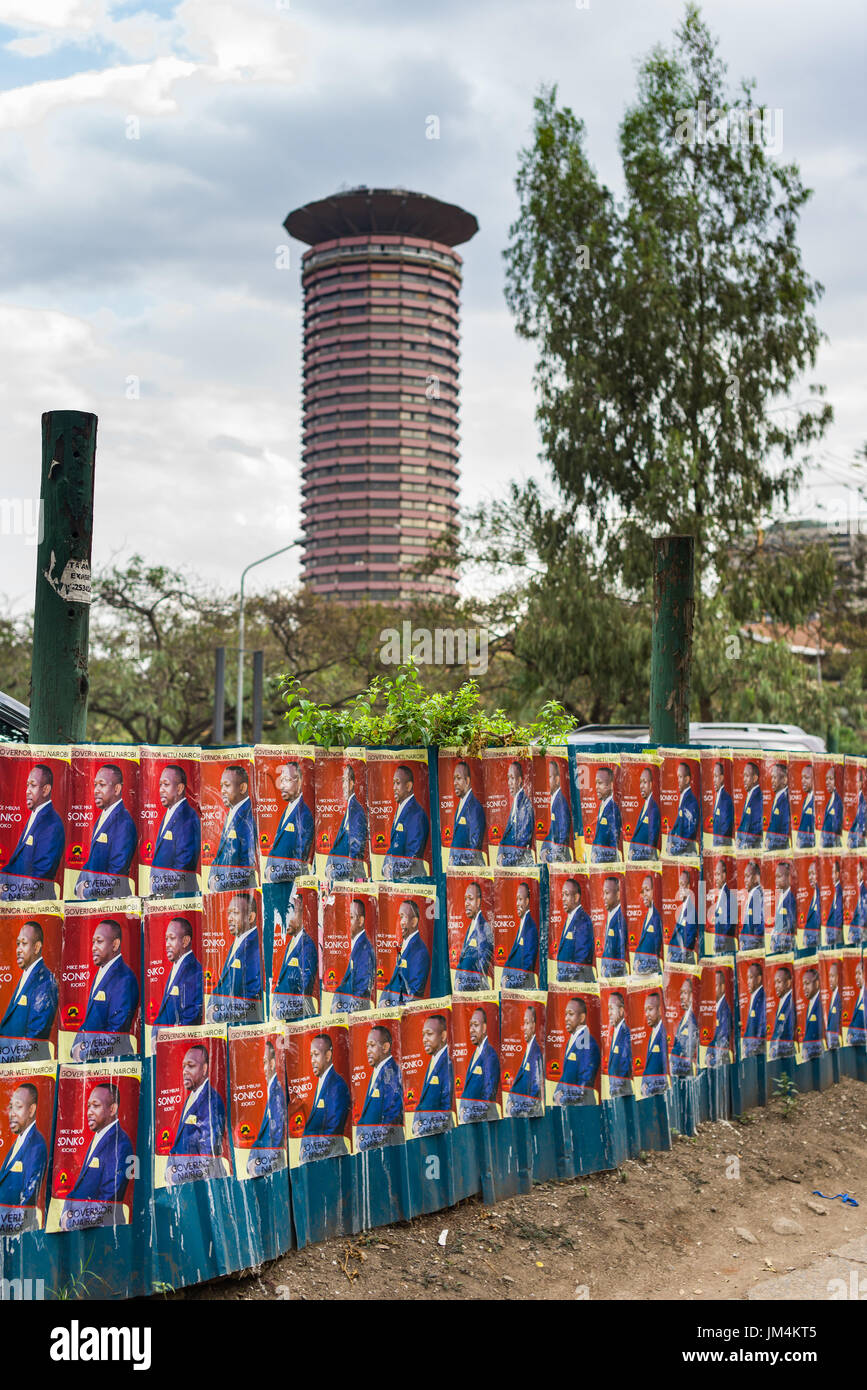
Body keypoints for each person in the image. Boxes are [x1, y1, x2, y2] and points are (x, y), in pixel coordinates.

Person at [60, 1083, 134, 1229]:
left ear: (112, 1109)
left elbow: (107, 1199)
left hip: (101, 1234)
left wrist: (71, 1221)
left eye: (96, 1105)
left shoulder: (120, 1144)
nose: (89, 1112)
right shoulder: (100, 1136)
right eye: (88, 1106)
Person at [70, 919, 139, 1062]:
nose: (94, 947)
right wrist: (75, 1047)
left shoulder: (124, 978)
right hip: (95, 1061)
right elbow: (90, 1021)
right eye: (93, 942)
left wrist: (84, 1052)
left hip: (114, 1063)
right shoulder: (103, 971)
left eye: (99, 941)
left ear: (115, 944)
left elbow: (116, 1032)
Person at [0, 763, 64, 901]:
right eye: (27, 785)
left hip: (35, 907)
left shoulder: (52, 824)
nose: (27, 790)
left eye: (33, 785)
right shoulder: (36, 815)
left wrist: (5, 893)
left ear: (46, 789)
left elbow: (38, 879)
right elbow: (14, 866)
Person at [166, 1044, 227, 1186]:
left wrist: (176, 1175)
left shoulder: (212, 1101)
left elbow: (208, 1155)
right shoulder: (192, 1097)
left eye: (191, 1066)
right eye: (184, 1066)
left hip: (200, 1185)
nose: (185, 1071)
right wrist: (170, 1169)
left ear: (204, 1069)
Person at [74, 763, 137, 900]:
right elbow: (92, 860)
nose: (96, 790)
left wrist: (85, 892)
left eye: (101, 785)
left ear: (117, 789)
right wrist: (78, 886)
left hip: (113, 905)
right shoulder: (104, 816)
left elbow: (116, 876)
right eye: (95, 784)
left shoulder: (123, 823)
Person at [0, 919, 58, 1063]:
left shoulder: (44, 982)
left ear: (37, 947)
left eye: (24, 943)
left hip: (27, 1067)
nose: (18, 949)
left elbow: (33, 1040)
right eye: (18, 943)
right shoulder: (28, 974)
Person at [207, 891, 262, 1024]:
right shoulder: (239, 941)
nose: (229, 918)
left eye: (235, 913)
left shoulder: (255, 948)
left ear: (250, 917)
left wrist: (215, 1014)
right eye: (229, 913)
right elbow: (222, 986)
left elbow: (252, 1001)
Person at [0, 1083, 48, 1233]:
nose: (12, 1113)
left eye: (18, 1107)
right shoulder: (20, 1140)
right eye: (11, 1107)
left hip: (15, 1233)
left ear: (31, 1110)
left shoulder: (36, 1146)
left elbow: (29, 1197)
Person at [149, 763, 200, 898]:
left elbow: (183, 867)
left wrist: (156, 885)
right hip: (164, 895)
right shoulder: (170, 812)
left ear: (179, 788)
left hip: (178, 897)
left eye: (166, 784)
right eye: (160, 785)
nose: (161, 790)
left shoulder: (187, 817)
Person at [300, 1033, 351, 1163]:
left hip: (331, 1162)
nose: (312, 1060)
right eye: (311, 1055)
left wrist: (310, 1154)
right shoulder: (323, 1081)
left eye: (316, 1054)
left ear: (328, 1056)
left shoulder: (337, 1085)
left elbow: (332, 1130)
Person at [208, 764, 256, 892]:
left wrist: (218, 883)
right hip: (225, 892)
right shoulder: (232, 811)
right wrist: (211, 879)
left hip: (242, 895)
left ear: (242, 787)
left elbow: (249, 866)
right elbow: (220, 854)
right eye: (221, 785)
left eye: (227, 785)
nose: (222, 790)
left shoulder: (249, 816)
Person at [272, 887, 318, 1021]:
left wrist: (281, 1011)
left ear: (303, 915)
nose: (286, 918)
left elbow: (304, 989)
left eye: (291, 913)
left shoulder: (307, 946)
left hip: (298, 1019)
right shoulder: (291, 943)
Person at [356, 1025, 404, 1151]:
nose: (368, 1051)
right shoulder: (378, 1070)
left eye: (372, 1045)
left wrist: (366, 1142)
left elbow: (391, 1118)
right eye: (367, 1046)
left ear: (385, 1047)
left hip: (386, 1151)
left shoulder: (391, 1072)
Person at [266, 760, 314, 884]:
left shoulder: (305, 815)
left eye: (286, 780)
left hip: (290, 889)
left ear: (299, 782)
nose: (281, 786)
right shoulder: (289, 808)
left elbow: (300, 862)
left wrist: (273, 875)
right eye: (281, 781)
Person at [152, 916, 203, 1031]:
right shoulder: (178, 965)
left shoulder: (193, 971)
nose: (167, 944)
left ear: (185, 941)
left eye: (172, 938)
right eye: (166, 939)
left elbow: (190, 1021)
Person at [381, 765, 430, 881]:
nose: (394, 787)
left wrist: (391, 870)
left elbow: (413, 856)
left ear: (408, 786)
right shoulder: (402, 808)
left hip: (412, 882)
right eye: (393, 783)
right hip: (399, 881)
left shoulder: (416, 814)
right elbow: (393, 848)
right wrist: (385, 868)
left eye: (397, 783)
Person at [247, 1039, 287, 1177]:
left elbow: (277, 1134)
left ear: (271, 1064)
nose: (261, 1069)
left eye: (264, 1062)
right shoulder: (271, 1090)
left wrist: (257, 1168)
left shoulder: (277, 1090)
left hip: (272, 1169)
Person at [379, 900, 431, 1005]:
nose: (400, 922)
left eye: (403, 917)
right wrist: (382, 1001)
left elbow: (414, 995)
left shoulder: (420, 951)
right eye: (400, 917)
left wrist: (390, 1005)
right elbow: (394, 982)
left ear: (414, 921)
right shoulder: (404, 944)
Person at [552, 995, 601, 1104]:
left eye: (571, 1014)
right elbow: (566, 1075)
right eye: (565, 1014)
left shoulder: (587, 1043)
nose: (566, 1018)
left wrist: (563, 1098)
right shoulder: (574, 1040)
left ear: (582, 1018)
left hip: (581, 1110)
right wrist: (556, 1094)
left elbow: (585, 1083)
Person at [412, 1014, 453, 1137]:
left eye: (429, 1034)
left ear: (443, 1036)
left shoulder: (448, 1064)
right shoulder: (434, 1060)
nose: (424, 1039)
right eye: (423, 1034)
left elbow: (447, 1108)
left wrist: (422, 1128)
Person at [325, 764, 368, 881]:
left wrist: (334, 872)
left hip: (350, 879)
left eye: (346, 781)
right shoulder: (350, 809)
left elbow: (356, 851)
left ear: (352, 783)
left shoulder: (357, 811)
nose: (343, 786)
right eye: (342, 781)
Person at [331, 897, 375, 1011]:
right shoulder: (354, 945)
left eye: (350, 917)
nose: (346, 922)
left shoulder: (364, 949)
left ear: (360, 921)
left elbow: (361, 992)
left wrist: (340, 1009)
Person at [459, 1007, 500, 1122]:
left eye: (475, 1025)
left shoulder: (490, 1055)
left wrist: (467, 1115)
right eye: (470, 1025)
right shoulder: (477, 1053)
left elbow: (488, 1096)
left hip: (483, 1122)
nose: (471, 1029)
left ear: (484, 1028)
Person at [454, 880, 493, 991]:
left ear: (479, 901)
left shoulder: (484, 928)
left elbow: (482, 969)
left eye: (470, 899)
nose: (466, 903)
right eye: (465, 899)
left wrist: (462, 985)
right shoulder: (471, 925)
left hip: (475, 994)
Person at [555, 877, 595, 983]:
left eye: (567, 895)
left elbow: (582, 959)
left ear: (576, 897)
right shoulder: (571, 917)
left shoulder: (583, 921)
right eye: (562, 894)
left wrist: (564, 977)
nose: (563, 898)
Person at [507, 1005, 544, 1118]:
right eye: (524, 1023)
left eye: (527, 1023)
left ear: (534, 1025)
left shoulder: (536, 1052)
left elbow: (536, 1087)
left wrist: (515, 1109)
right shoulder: (529, 1049)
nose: (524, 1028)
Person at [448, 761, 486, 868]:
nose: (455, 782)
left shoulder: (474, 807)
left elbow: (474, 846)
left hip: (471, 870)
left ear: (467, 781)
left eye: (458, 778)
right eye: (454, 778)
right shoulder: (461, 804)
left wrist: (456, 863)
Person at [501, 881, 539, 988]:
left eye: (520, 899)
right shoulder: (523, 924)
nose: (517, 903)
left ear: (527, 901)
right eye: (517, 899)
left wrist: (508, 984)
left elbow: (527, 967)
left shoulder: (530, 928)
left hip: (522, 990)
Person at [497, 761, 534, 868]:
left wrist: (504, 861)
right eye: (508, 778)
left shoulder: (524, 805)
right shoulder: (516, 801)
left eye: (512, 778)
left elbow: (522, 844)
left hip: (519, 867)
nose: (509, 782)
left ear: (519, 780)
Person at [540, 760, 572, 862]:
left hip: (560, 861)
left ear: (557, 779)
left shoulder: (560, 802)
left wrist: (550, 856)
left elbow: (563, 835)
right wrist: (544, 850)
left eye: (549, 777)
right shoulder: (552, 799)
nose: (546, 781)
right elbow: (551, 831)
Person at [666, 761, 700, 855]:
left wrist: (672, 850)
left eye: (680, 777)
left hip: (686, 855)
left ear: (687, 779)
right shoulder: (684, 799)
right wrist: (669, 843)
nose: (677, 780)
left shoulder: (690, 802)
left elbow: (688, 836)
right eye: (677, 777)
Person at [590, 766, 621, 864]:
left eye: (600, 783)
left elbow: (614, 845)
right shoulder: (602, 806)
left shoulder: (613, 809)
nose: (596, 787)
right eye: (596, 783)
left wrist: (599, 858)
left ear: (611, 785)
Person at [633, 873, 663, 974]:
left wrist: (640, 968)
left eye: (647, 890)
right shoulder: (648, 914)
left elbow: (657, 950)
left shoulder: (657, 916)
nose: (644, 894)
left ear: (655, 890)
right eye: (643, 891)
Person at [629, 766, 661, 860]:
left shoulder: (653, 809)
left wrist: (634, 857)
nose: (641, 786)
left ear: (651, 784)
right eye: (640, 782)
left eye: (645, 782)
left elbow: (651, 846)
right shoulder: (645, 805)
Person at [669, 977, 698, 1077]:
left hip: (688, 1074)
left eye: (685, 993)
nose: (681, 996)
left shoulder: (694, 1018)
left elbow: (687, 1048)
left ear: (693, 995)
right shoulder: (686, 1016)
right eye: (681, 993)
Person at [640, 991, 667, 1097]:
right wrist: (643, 1085)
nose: (647, 1014)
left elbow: (666, 1070)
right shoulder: (653, 1033)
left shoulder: (664, 1033)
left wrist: (651, 1089)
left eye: (650, 1009)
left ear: (660, 1010)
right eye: (645, 1010)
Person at [599, 874, 627, 978]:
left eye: (607, 893)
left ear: (618, 894)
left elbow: (621, 952)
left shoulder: (621, 918)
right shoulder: (610, 916)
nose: (604, 897)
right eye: (603, 893)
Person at [668, 868, 698, 963]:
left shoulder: (691, 910)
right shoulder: (682, 909)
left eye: (683, 885)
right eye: (679, 885)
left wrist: (673, 959)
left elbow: (688, 943)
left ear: (688, 887)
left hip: (683, 962)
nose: (680, 889)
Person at [605, 991, 632, 1097]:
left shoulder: (625, 1033)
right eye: (608, 1009)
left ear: (621, 1011)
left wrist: (618, 1085)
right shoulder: (616, 1032)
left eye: (611, 1008)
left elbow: (626, 1062)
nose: (609, 1013)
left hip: (623, 1092)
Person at [705, 970, 733, 1067]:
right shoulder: (716, 1009)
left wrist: (711, 1061)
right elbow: (713, 1037)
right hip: (715, 1061)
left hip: (721, 1064)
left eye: (715, 986)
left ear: (722, 987)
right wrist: (708, 1054)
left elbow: (724, 1039)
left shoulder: (724, 1010)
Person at [769, 860, 797, 954]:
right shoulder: (781, 897)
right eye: (775, 877)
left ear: (789, 877)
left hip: (785, 949)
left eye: (779, 877)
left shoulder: (790, 899)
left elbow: (791, 925)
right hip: (778, 946)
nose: (776, 880)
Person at [769, 965, 795, 1060]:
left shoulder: (791, 1002)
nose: (776, 986)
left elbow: (789, 1030)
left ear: (788, 983)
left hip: (786, 1054)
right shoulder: (782, 1001)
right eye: (775, 982)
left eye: (779, 982)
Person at [740, 961, 766, 1057]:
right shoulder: (754, 997)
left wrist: (749, 1050)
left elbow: (762, 1029)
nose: (748, 982)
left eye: (750, 978)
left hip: (757, 1054)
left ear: (759, 979)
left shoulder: (762, 998)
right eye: (747, 978)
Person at [711, 859, 737, 954]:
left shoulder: (730, 897)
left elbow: (730, 925)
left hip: (726, 949)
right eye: (715, 875)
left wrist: (720, 943)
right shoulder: (721, 895)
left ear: (724, 875)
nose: (715, 878)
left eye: (718, 874)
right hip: (720, 949)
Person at [736, 761, 763, 850]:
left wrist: (744, 842)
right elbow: (744, 823)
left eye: (747, 776)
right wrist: (738, 838)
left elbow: (757, 827)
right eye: (743, 776)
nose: (744, 779)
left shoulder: (758, 797)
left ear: (755, 778)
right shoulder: (750, 795)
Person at [765, 762, 791, 850]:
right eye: (772, 777)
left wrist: (770, 844)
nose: (772, 780)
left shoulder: (786, 800)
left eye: (775, 777)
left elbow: (785, 832)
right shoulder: (778, 796)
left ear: (784, 780)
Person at [740, 859, 764, 950]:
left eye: (747, 876)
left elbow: (759, 929)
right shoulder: (753, 895)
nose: (745, 880)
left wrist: (746, 947)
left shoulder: (758, 896)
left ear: (756, 878)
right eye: (744, 876)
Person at [801, 968, 824, 1061]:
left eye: (807, 983)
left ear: (817, 983)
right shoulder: (811, 1003)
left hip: (818, 1055)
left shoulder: (821, 1002)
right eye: (803, 984)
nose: (804, 988)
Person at [711, 760, 734, 846]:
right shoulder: (719, 796)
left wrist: (716, 845)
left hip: (722, 846)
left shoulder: (725, 799)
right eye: (713, 776)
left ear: (721, 778)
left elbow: (725, 828)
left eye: (716, 776)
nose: (713, 780)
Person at [820, 766, 843, 849]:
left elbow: (837, 826)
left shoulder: (838, 800)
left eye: (831, 779)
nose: (827, 782)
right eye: (826, 779)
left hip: (833, 846)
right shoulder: (831, 799)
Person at [824, 859, 843, 949]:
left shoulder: (839, 890)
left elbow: (839, 913)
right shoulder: (832, 890)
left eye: (832, 873)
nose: (830, 876)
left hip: (836, 934)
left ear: (837, 874)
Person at [796, 762, 815, 848]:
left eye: (806, 778)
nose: (802, 781)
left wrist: (803, 841)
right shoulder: (806, 799)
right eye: (802, 778)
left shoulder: (817, 801)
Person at [849, 859, 867, 946]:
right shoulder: (851, 892)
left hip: (861, 937)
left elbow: (863, 919)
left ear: (862, 872)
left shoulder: (865, 893)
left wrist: (853, 936)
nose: (856, 875)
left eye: (858, 872)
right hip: (851, 937)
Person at [803, 860, 820, 950]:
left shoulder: (821, 895)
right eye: (809, 874)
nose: (810, 877)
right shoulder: (815, 895)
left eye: (813, 874)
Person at [846, 962, 865, 1046]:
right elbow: (853, 1021)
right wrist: (848, 1035)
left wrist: (853, 1039)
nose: (856, 977)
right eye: (855, 973)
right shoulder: (860, 995)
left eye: (859, 973)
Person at [825, 960, 842, 1049]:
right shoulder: (833, 995)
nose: (830, 979)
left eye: (832, 976)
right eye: (829, 976)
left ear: (838, 977)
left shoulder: (840, 997)